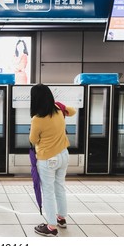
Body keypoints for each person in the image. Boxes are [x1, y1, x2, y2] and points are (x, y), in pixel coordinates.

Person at [29, 84, 76, 237]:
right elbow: (73, 111)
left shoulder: (37, 119)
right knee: (60, 187)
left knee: (48, 191)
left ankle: (51, 227)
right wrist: (62, 106)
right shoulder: (58, 109)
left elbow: (33, 139)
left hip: (48, 159)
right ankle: (61, 218)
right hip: (63, 155)